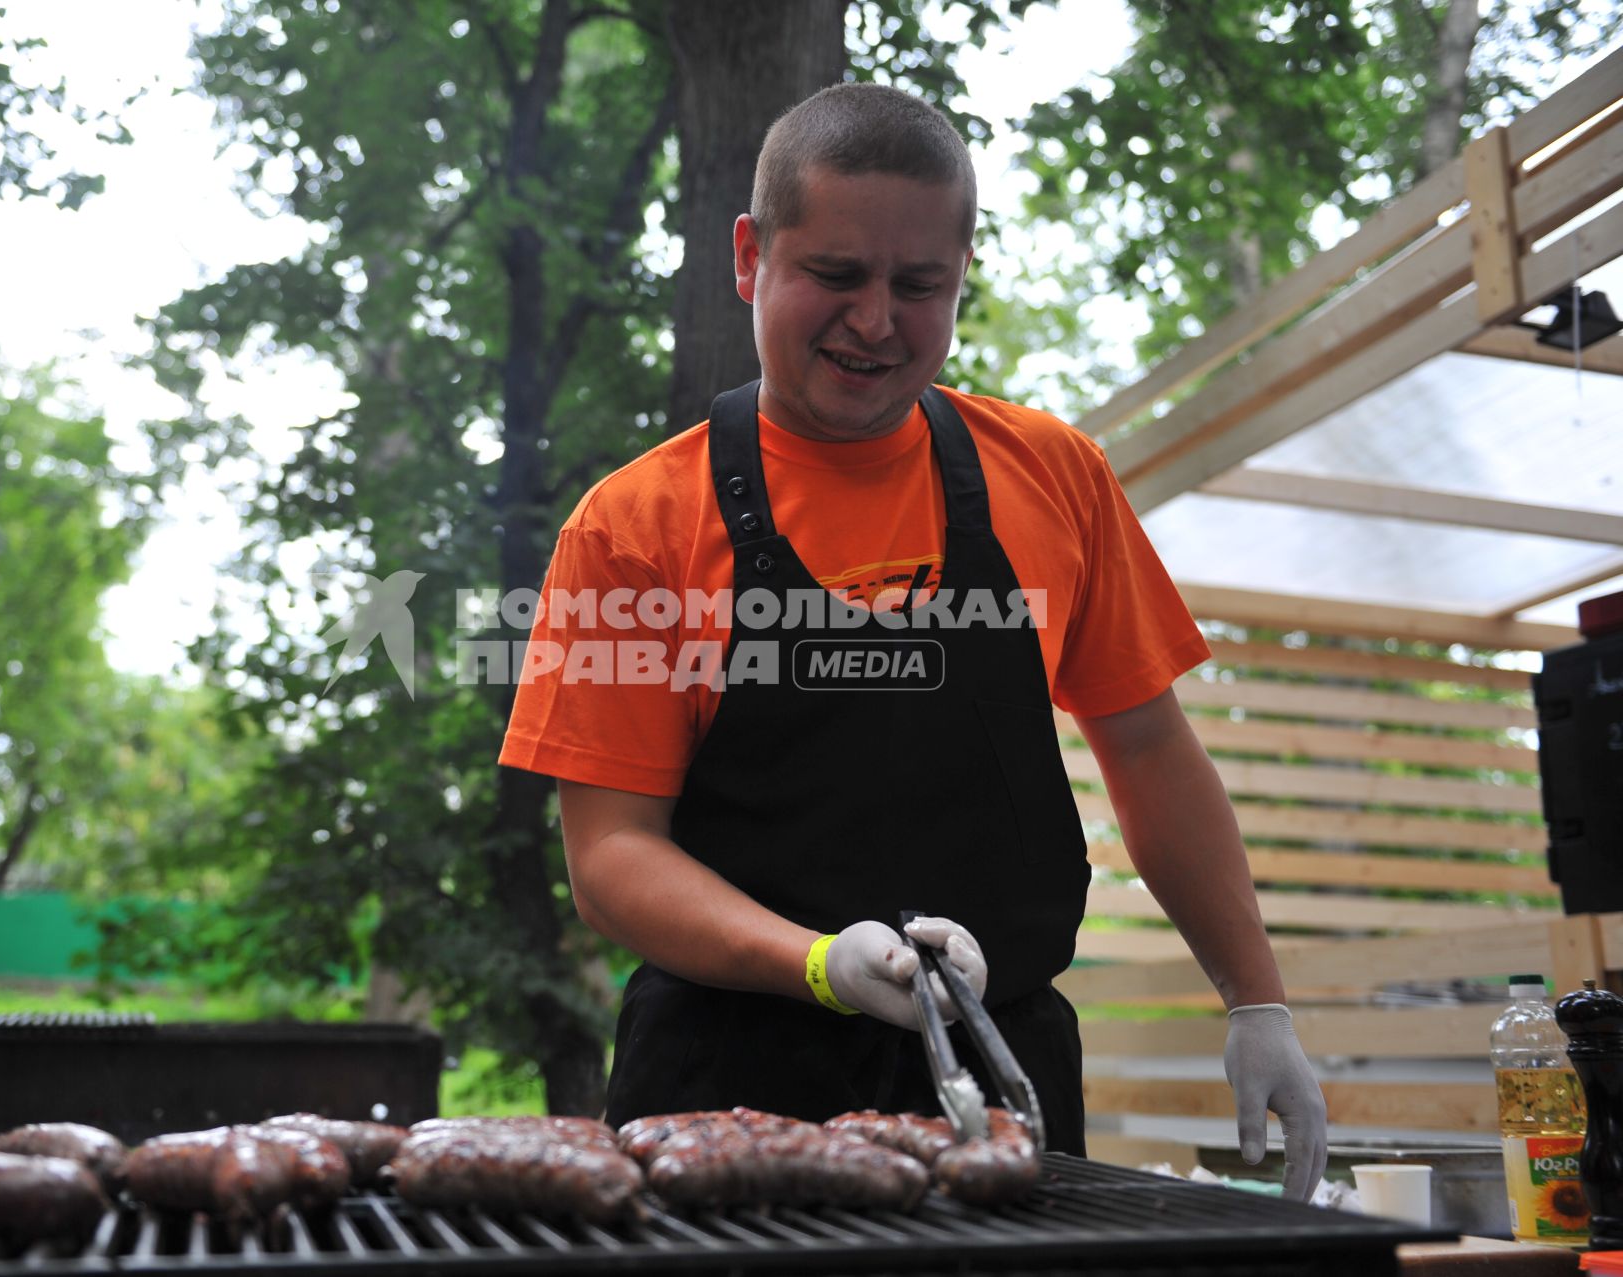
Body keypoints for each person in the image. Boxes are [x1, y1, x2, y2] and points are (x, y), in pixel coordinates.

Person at [498, 82, 1328, 1199]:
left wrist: (1256, 998)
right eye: (835, 275)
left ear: (959, 278)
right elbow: (610, 857)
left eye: (917, 284)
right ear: (749, 257)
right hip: (720, 1088)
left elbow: (1151, 750)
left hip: (1004, 1079)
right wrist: (822, 963)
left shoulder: (1056, 475)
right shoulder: (635, 526)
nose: (876, 320)